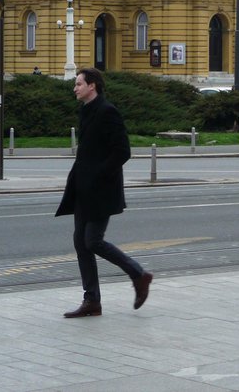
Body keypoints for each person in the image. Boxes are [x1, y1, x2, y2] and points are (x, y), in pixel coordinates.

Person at [55, 67, 153, 317]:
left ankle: (138, 275)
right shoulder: (86, 110)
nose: (74, 88)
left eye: (78, 84)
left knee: (93, 240)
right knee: (81, 243)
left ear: (92, 86)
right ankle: (92, 301)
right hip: (83, 189)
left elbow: (122, 151)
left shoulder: (108, 112)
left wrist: (98, 174)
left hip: (100, 190)